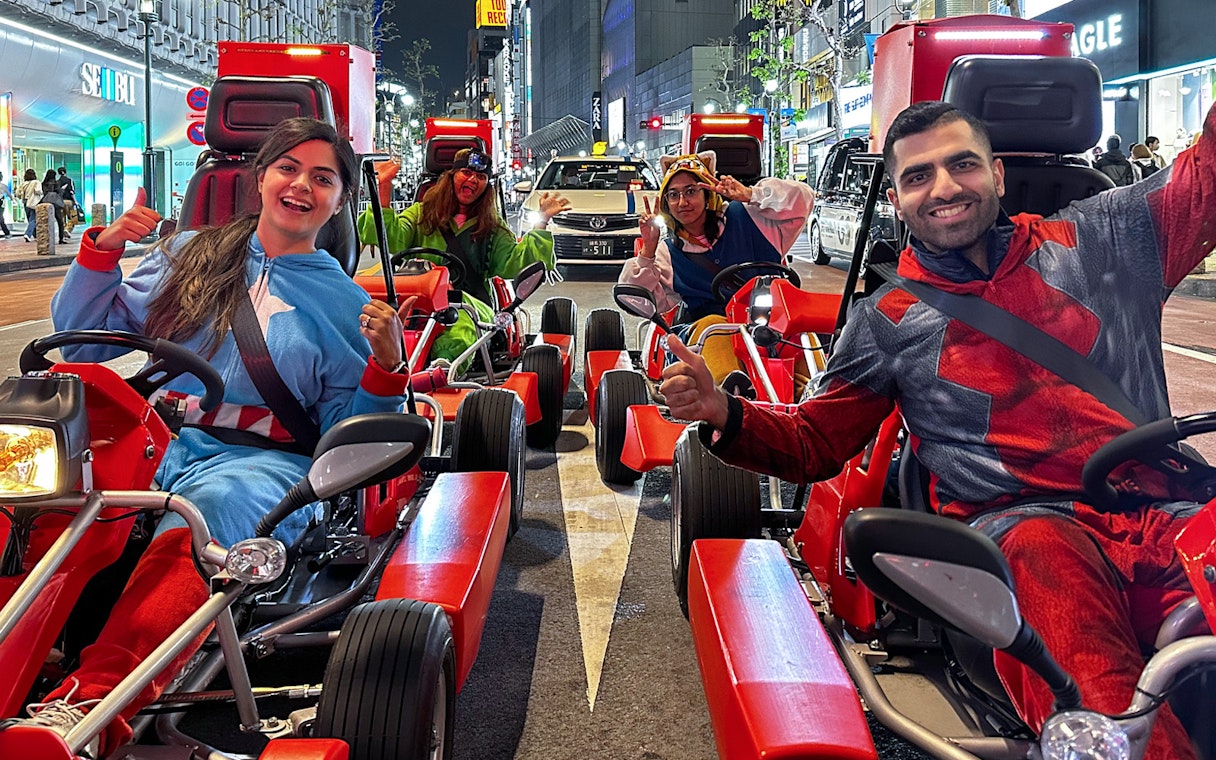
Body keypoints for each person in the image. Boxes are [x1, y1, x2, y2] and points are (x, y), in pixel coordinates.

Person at [662, 99, 1216, 760]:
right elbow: (816, 442)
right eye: (919, 176)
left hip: (1171, 508)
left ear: (999, 174)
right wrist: (723, 412)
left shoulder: (1105, 238)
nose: (945, 187)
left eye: (962, 165)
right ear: (896, 199)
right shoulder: (887, 320)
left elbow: (1204, 179)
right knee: (1103, 698)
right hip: (1031, 530)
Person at [2, 117, 412, 756]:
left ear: (339, 201)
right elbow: (79, 337)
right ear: (261, 177)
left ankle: (89, 706)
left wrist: (386, 366)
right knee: (34, 495)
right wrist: (101, 252)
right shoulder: (191, 251)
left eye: (323, 178)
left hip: (257, 461)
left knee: (202, 518)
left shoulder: (341, 301)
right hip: (146, 438)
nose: (302, 185)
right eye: (289, 168)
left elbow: (342, 434)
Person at [618, 150, 813, 386]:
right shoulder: (667, 252)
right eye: (673, 195)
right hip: (707, 333)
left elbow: (804, 199)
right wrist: (647, 250)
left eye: (691, 191)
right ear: (666, 204)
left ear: (708, 193)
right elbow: (635, 300)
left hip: (771, 324)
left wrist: (751, 194)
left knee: (803, 335)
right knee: (713, 326)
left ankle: (814, 396)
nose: (682, 202)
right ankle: (730, 393)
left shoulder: (751, 216)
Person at [357, 147, 570, 362]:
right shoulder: (421, 214)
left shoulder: (491, 227)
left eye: (480, 176)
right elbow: (390, 237)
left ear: (487, 186)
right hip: (420, 305)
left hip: (470, 306)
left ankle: (443, 368)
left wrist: (542, 220)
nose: (473, 180)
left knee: (460, 323)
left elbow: (515, 262)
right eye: (466, 173)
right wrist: (383, 188)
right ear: (451, 177)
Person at [15, 168, 41, 242]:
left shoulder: (23, 183)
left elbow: (17, 193)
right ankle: (28, 234)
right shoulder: (36, 182)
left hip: (25, 202)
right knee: (33, 219)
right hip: (33, 202)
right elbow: (38, 191)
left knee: (30, 219)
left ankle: (35, 235)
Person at [57, 166, 78, 235]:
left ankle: (63, 231)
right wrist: (75, 201)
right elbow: (72, 192)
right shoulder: (70, 180)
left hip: (60, 202)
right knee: (73, 218)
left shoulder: (57, 182)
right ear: (65, 172)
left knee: (62, 218)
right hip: (69, 201)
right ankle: (68, 229)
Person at [0, 173, 12, 238]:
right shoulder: (4, 186)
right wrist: (12, 198)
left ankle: (6, 232)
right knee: (1, 218)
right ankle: (6, 232)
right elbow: (9, 194)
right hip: (1, 203)